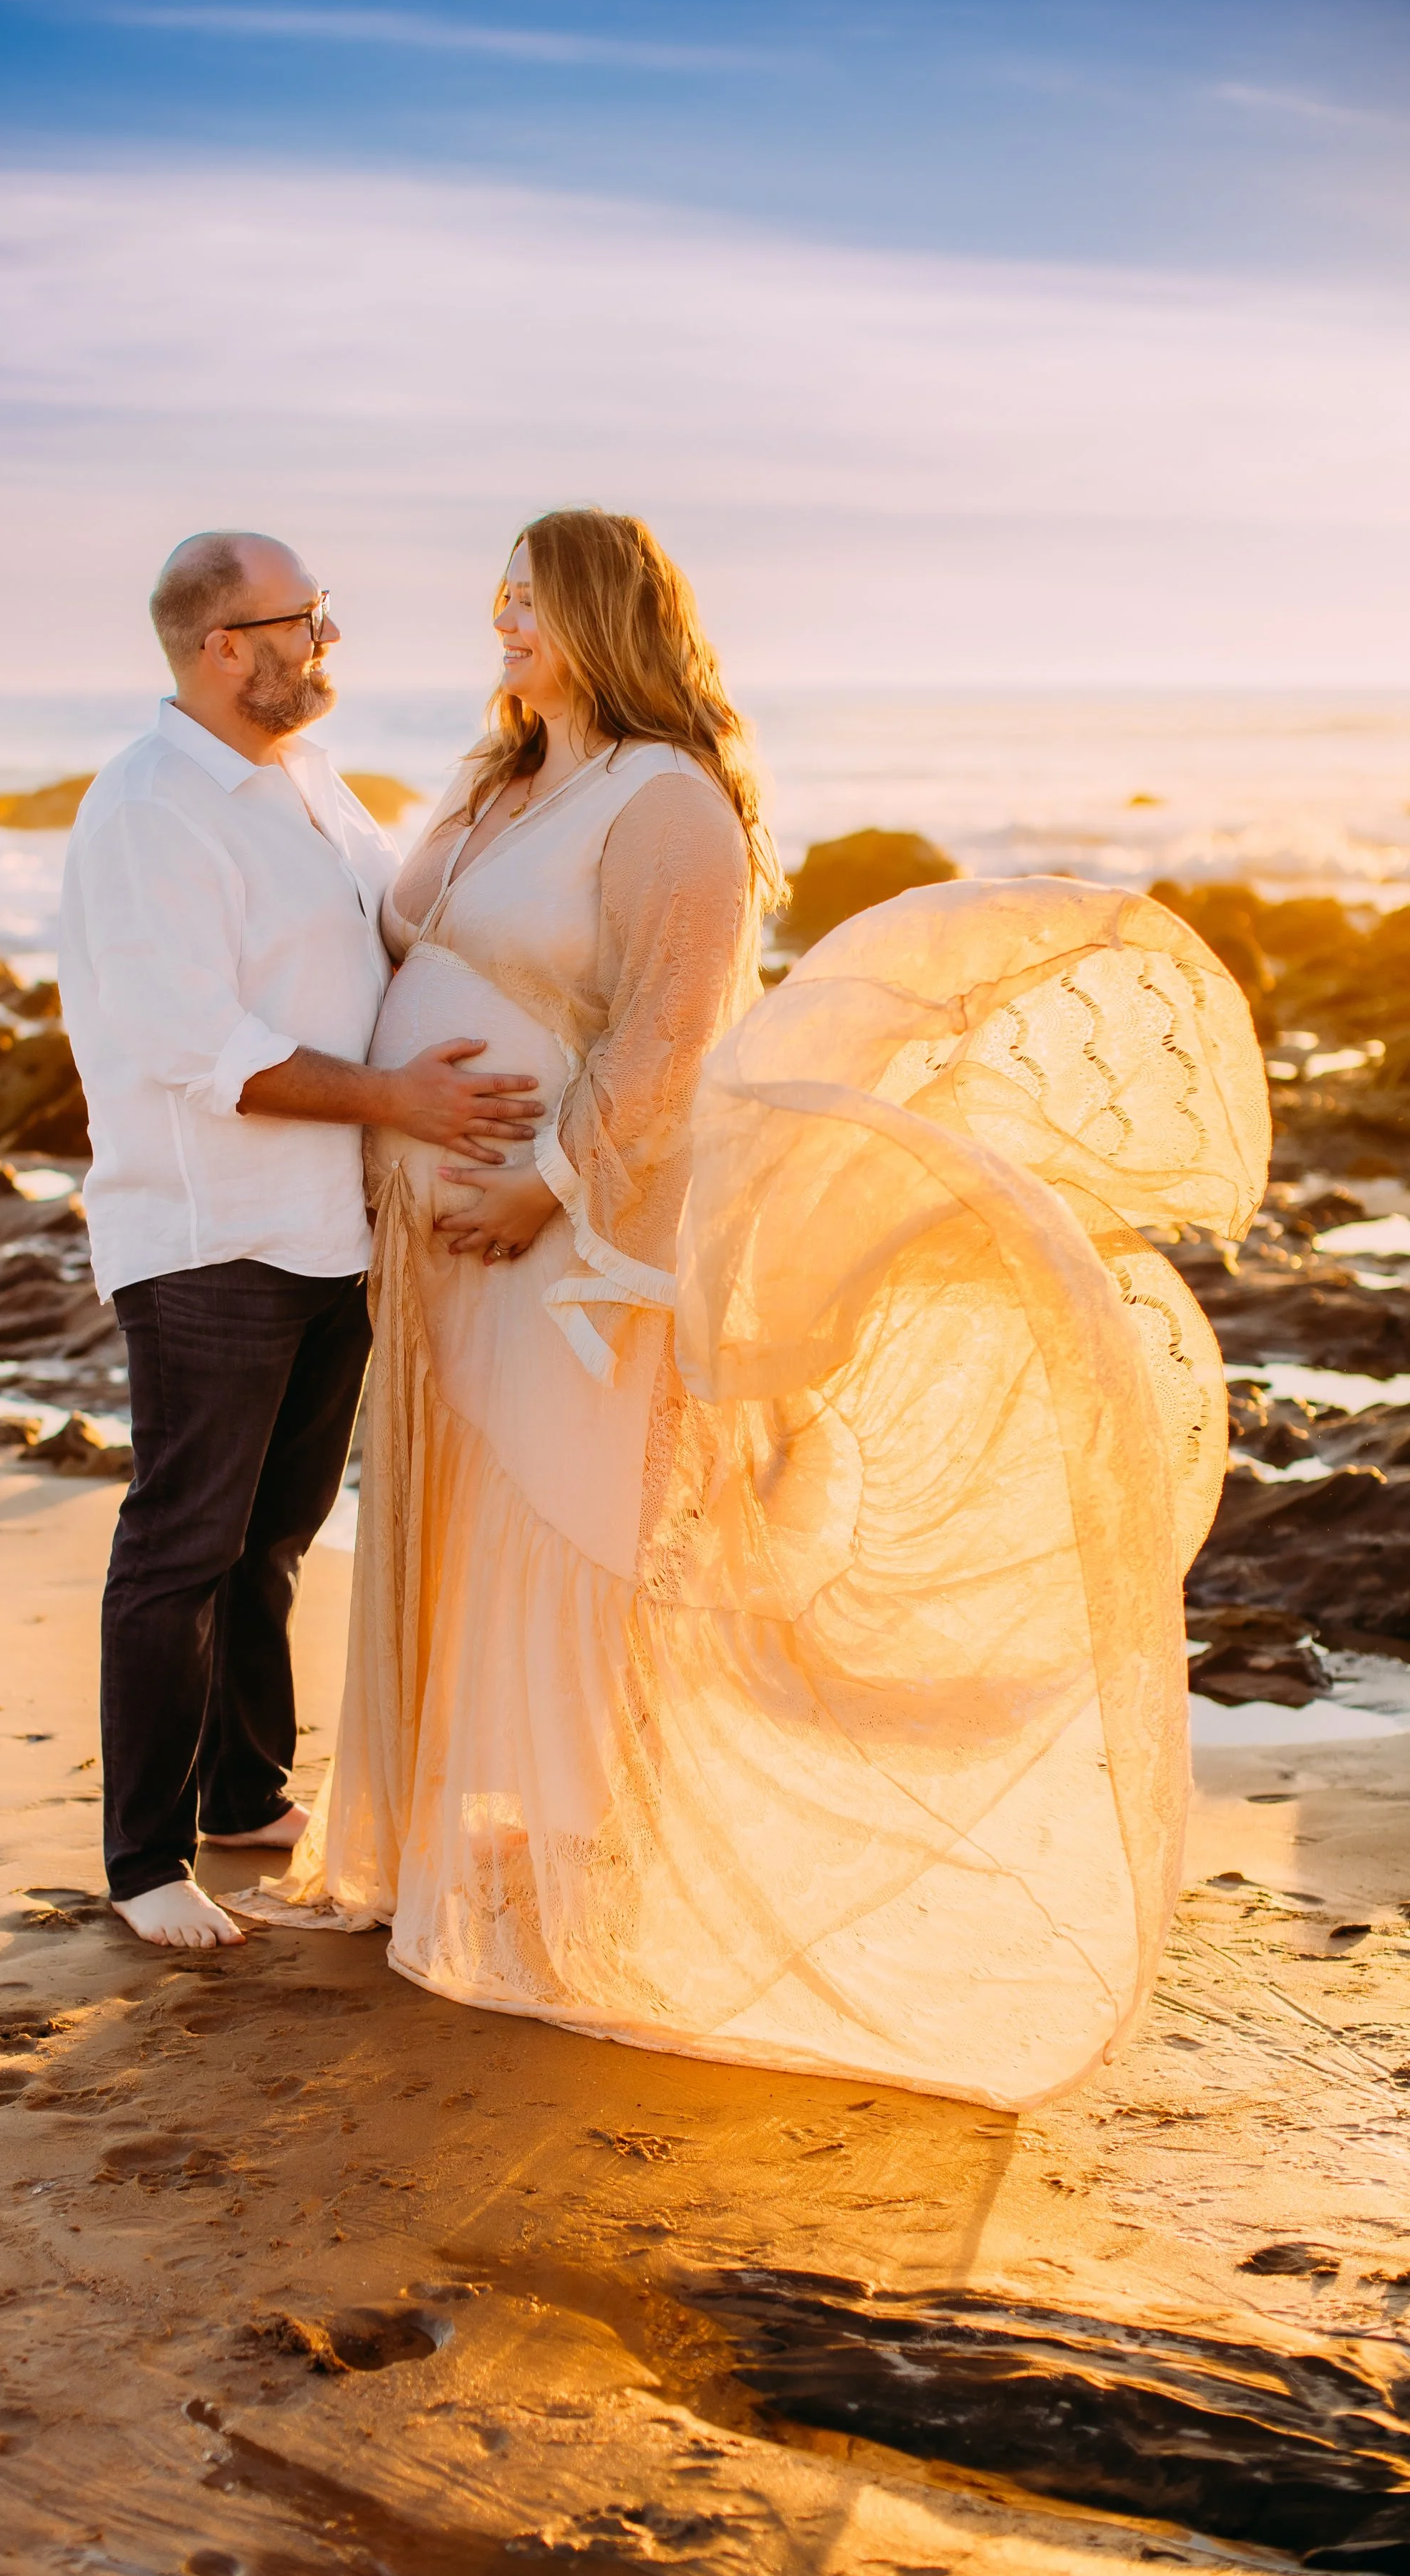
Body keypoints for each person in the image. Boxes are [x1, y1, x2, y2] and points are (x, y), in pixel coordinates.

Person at [266, 507, 1268, 2113]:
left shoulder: (668, 803)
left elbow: (666, 1034)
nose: (502, 628)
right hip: (428, 1241)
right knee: (453, 1535)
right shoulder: (493, 779)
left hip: (564, 1245)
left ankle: (561, 1886)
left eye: (526, 604)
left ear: (603, 615)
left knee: (559, 1534)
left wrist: (552, 1190)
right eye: (496, 604)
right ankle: (447, 1856)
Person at [58, 532, 543, 1951]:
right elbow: (193, 1044)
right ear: (225, 646)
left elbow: (387, 942)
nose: (328, 642)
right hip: (213, 1230)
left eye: (326, 618)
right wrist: (400, 1096)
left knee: (270, 1537)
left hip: (330, 1226)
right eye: (304, 622)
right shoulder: (152, 807)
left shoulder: (308, 782)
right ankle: (145, 1863)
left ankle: (241, 1790)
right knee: (183, 1545)